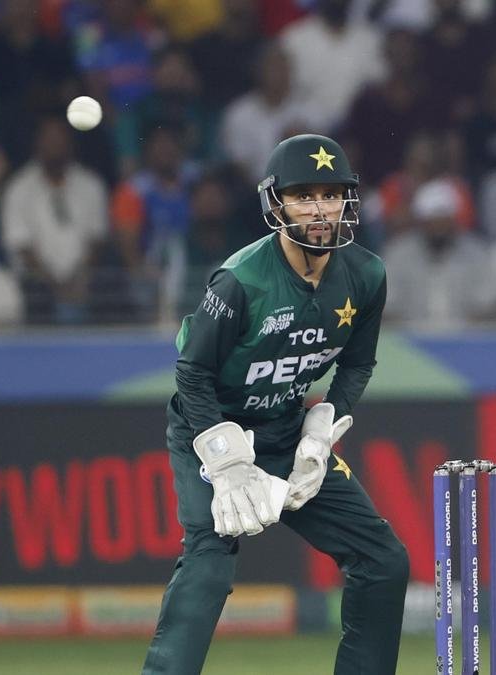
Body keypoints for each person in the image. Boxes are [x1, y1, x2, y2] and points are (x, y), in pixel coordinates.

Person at [142, 134, 409, 675]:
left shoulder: (367, 275)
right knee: (210, 562)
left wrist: (322, 425)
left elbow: (357, 364)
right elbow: (192, 373)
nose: (320, 209)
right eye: (303, 195)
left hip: (287, 432)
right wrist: (224, 457)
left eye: (331, 195)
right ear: (277, 203)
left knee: (383, 560)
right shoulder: (241, 280)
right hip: (210, 430)